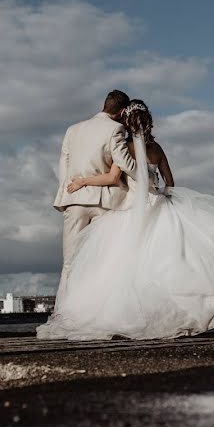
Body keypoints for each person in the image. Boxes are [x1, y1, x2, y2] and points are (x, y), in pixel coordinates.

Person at [37, 99, 214, 340]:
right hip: (158, 204)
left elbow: (112, 178)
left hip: (130, 209)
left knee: (118, 266)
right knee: (171, 262)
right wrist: (159, 192)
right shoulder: (156, 150)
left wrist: (81, 181)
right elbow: (170, 181)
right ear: (148, 123)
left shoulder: (125, 149)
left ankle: (91, 313)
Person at [51, 90, 138, 305]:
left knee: (70, 260)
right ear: (123, 111)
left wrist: (68, 189)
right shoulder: (115, 129)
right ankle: (96, 308)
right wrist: (146, 177)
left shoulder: (73, 130)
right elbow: (124, 162)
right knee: (101, 259)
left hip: (74, 198)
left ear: (104, 104)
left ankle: (66, 309)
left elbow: (64, 164)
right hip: (104, 202)